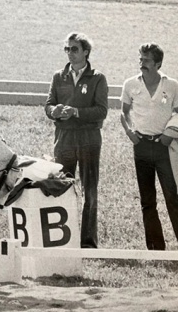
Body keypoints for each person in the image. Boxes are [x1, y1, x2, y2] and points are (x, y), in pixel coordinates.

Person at [45, 32, 108, 249]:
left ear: (86, 52)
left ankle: (88, 243)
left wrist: (76, 112)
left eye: (74, 49)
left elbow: (101, 111)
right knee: (62, 187)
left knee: (89, 191)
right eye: (67, 49)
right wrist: (55, 111)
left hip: (89, 139)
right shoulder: (58, 76)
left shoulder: (98, 78)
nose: (70, 53)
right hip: (63, 139)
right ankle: (65, 239)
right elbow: (48, 105)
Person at [120, 42, 178, 250]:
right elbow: (124, 112)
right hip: (141, 147)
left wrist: (169, 135)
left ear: (158, 63)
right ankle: (155, 248)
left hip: (165, 148)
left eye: (146, 60)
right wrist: (130, 133)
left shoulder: (172, 85)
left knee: (173, 196)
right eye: (140, 59)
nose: (141, 63)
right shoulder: (130, 84)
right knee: (147, 200)